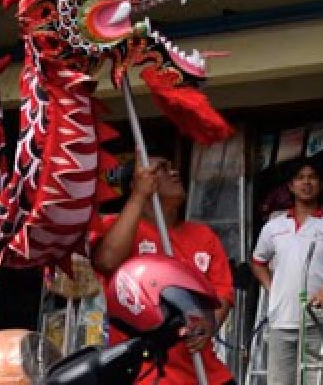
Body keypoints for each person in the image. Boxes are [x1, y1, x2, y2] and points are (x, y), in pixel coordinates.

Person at [91, 157, 235, 385]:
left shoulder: (204, 236)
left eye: (172, 166)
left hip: (204, 373)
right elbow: (107, 261)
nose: (175, 172)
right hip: (145, 373)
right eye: (161, 169)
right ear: (137, 182)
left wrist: (208, 324)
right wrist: (139, 196)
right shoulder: (118, 228)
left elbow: (222, 293)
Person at [251, 159, 323, 385]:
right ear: (291, 186)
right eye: (300, 177)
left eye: (312, 177)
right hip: (280, 321)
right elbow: (257, 261)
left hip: (319, 322)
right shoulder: (274, 227)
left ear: (321, 184)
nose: (306, 182)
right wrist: (271, 286)